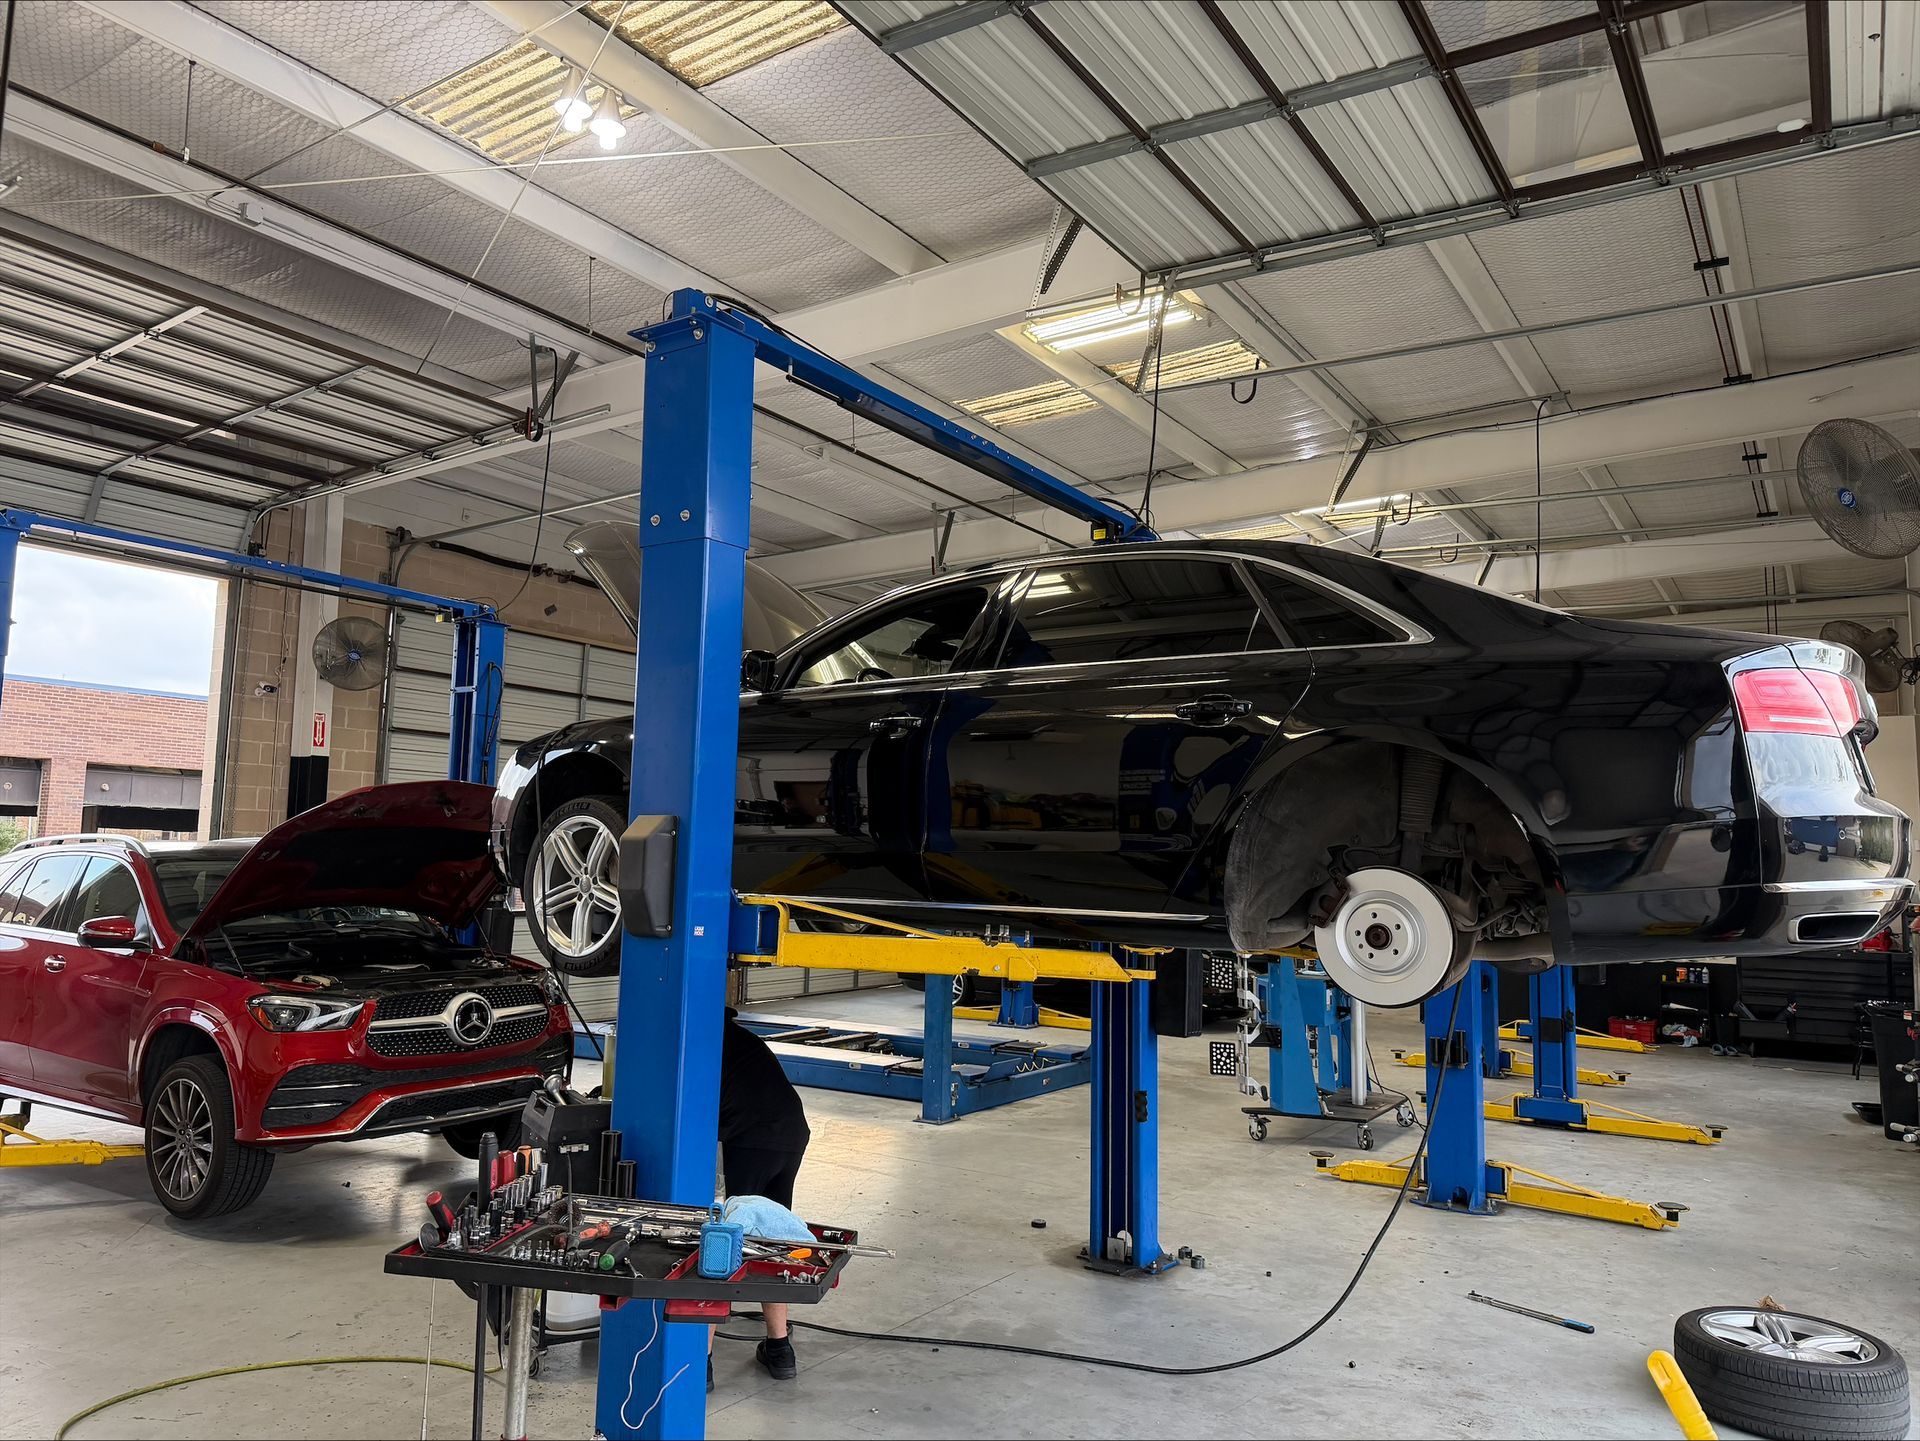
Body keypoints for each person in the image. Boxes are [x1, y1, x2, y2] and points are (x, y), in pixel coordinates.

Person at [715, 1005, 811, 1383]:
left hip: (755, 1138)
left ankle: (700, 1361)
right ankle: (779, 1347)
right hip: (789, 1133)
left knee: (726, 1241)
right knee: (771, 1239)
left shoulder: (701, 1041)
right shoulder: (741, 1039)